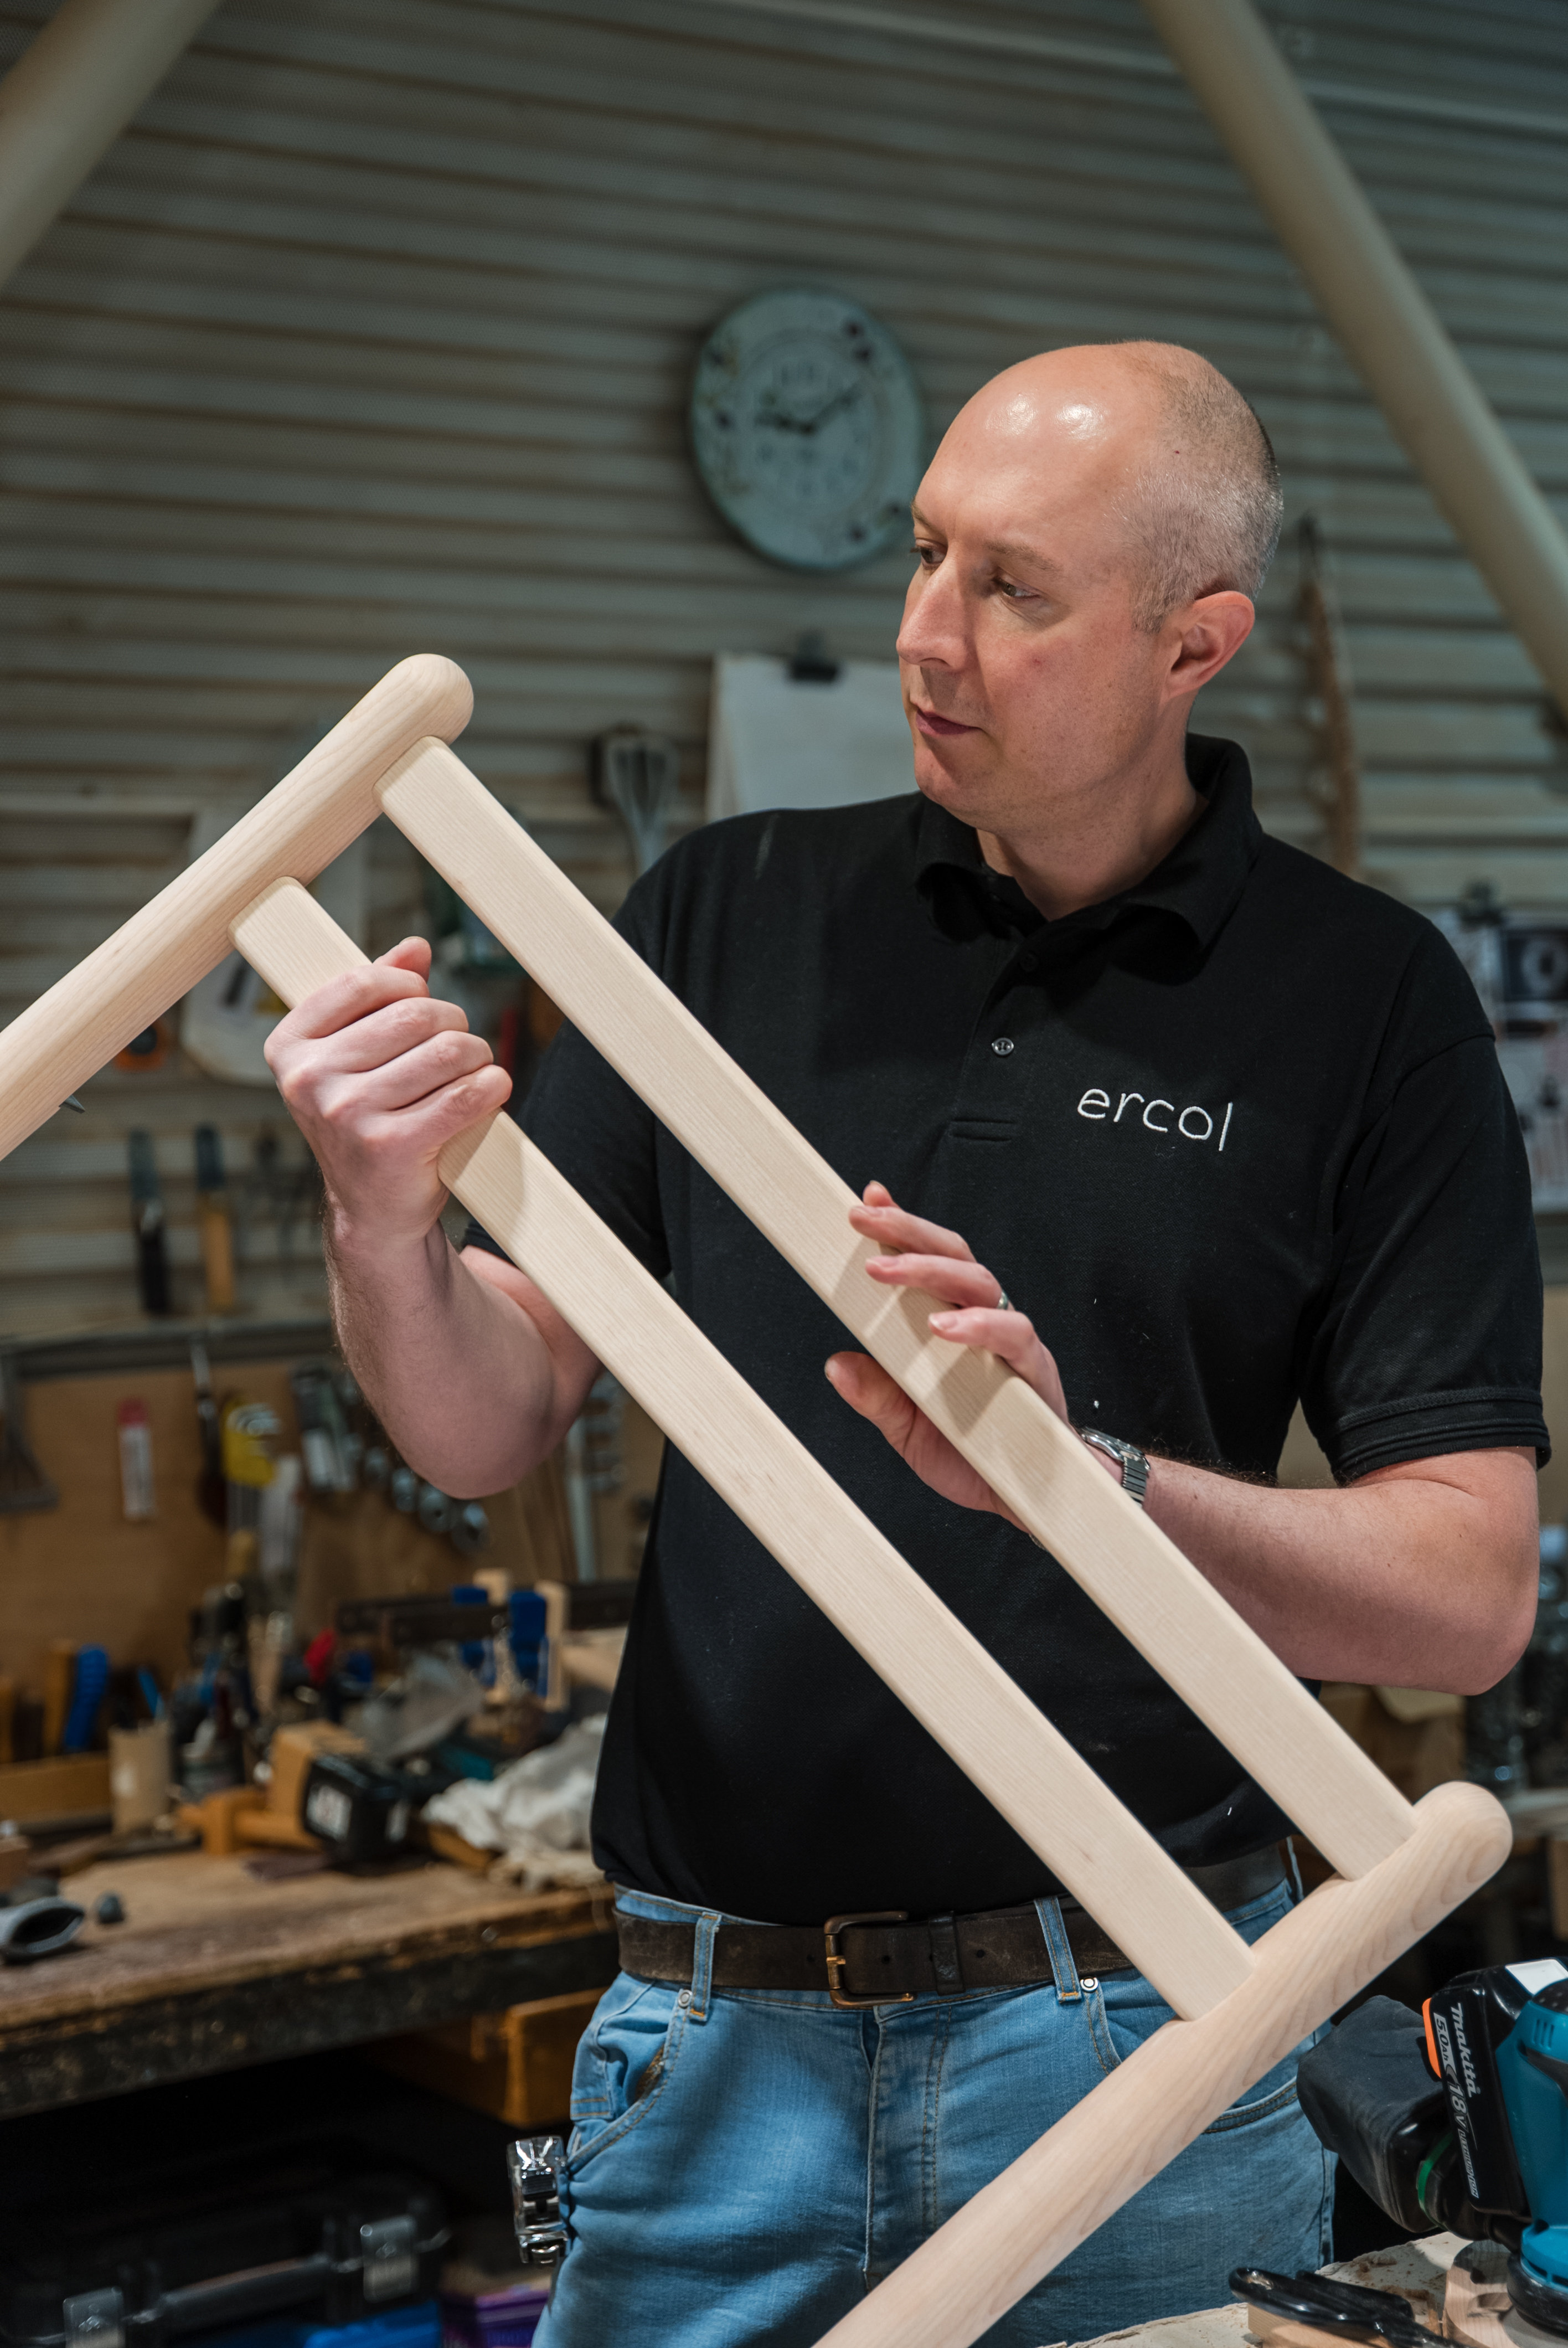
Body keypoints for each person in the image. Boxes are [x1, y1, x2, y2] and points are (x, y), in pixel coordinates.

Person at [267, 342, 1545, 2345]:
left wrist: (1073, 1483)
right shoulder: (727, 911)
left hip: (1148, 2037)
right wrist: (379, 1217)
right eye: (927, 552)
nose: (926, 634)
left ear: (1195, 644)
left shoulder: (1366, 1004)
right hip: (711, 2050)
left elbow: (1464, 1601)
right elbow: (484, 1419)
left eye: (1015, 587)